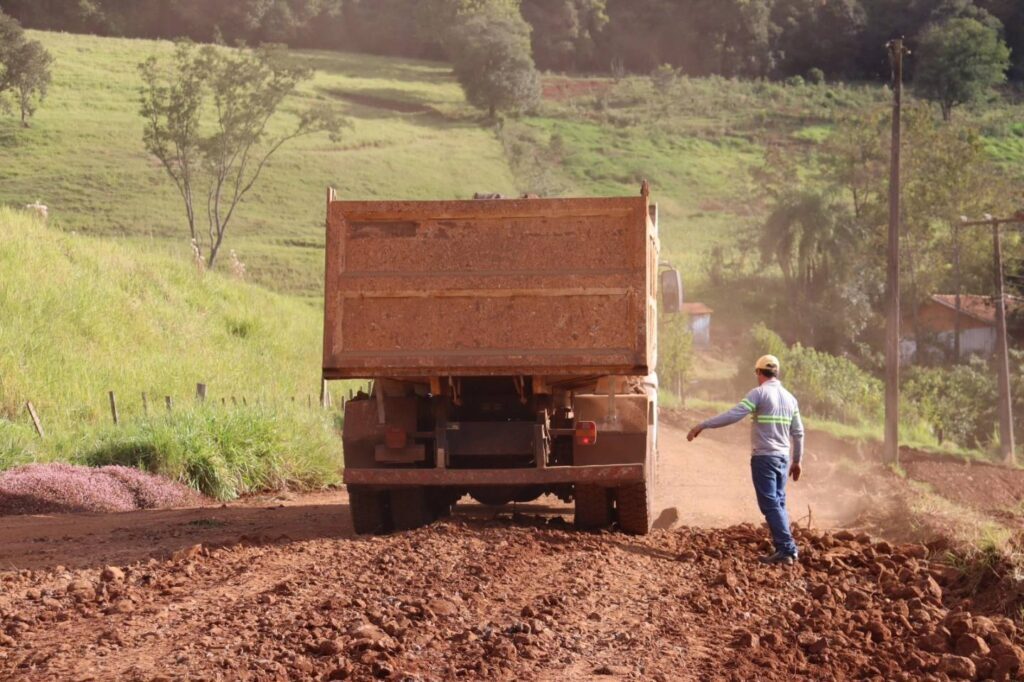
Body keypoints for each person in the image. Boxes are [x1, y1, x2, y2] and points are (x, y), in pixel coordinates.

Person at [686, 355, 804, 565]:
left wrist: (703, 425)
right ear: (776, 372)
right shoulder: (790, 398)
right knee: (779, 502)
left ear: (759, 373)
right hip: (783, 459)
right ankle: (786, 548)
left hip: (764, 458)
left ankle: (787, 549)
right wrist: (797, 460)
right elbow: (798, 432)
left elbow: (734, 415)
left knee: (770, 504)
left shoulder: (759, 393)